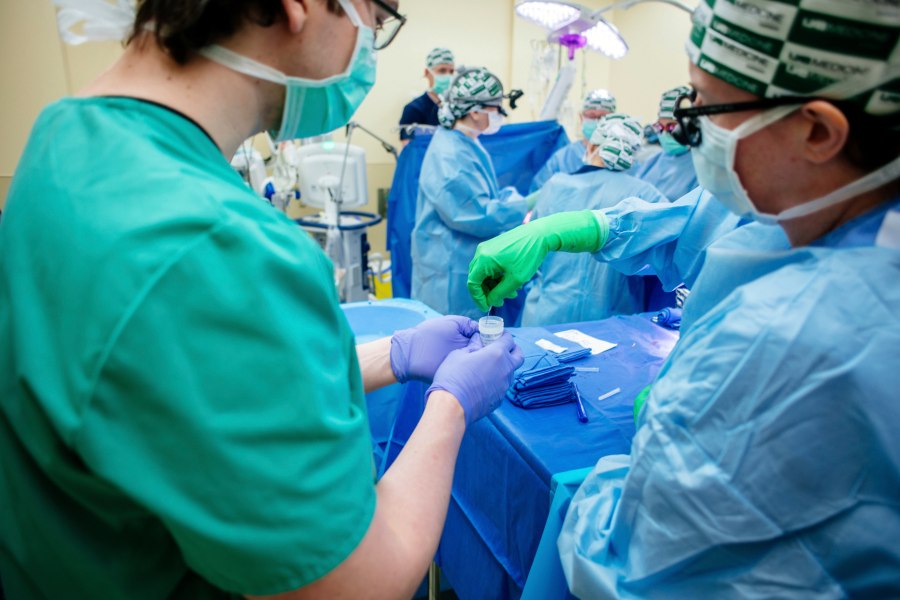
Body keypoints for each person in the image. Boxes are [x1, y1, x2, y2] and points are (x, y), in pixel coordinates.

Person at [0, 1, 526, 598]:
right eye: (375, 19)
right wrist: (451, 406)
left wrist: (392, 355)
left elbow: (183, 395)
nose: (369, 46)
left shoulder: (69, 135)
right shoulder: (214, 242)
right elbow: (354, 583)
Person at [468, 0, 900, 595]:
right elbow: (694, 222)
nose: (686, 128)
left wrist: (664, 437)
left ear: (819, 131)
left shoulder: (794, 337)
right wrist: (564, 229)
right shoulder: (812, 202)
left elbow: (631, 566)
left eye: (705, 109)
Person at [521, 114, 668, 326]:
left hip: (547, 315)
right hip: (609, 325)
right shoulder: (647, 196)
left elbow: (531, 252)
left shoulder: (555, 186)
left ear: (591, 146)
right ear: (632, 156)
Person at [411, 67, 532, 319]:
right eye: (496, 108)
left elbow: (482, 193)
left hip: (460, 259)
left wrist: (509, 199)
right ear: (475, 111)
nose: (500, 114)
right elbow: (476, 214)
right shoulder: (450, 154)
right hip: (449, 266)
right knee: (451, 339)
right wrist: (527, 203)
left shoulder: (466, 141)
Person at [529, 88, 617, 192]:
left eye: (603, 117)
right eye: (592, 116)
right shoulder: (563, 159)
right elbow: (539, 194)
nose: (598, 122)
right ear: (581, 117)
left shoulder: (619, 158)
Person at [631, 85, 700, 201]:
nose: (665, 134)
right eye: (660, 127)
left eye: (672, 126)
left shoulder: (702, 166)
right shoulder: (653, 162)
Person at [398, 47, 455, 146]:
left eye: (451, 72)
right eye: (442, 71)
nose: (448, 76)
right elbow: (410, 150)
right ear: (427, 73)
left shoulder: (456, 108)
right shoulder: (413, 109)